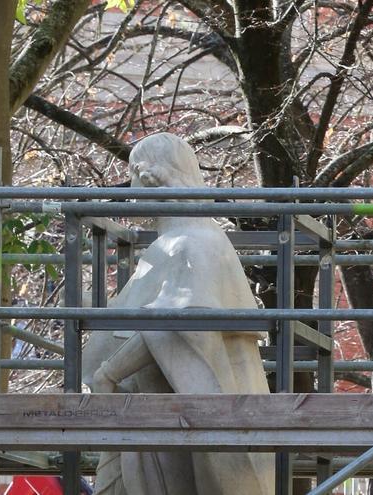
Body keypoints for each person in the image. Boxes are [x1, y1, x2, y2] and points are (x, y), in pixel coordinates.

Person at [81, 132, 274, 494]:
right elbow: (132, 324)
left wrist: (110, 371)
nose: (130, 188)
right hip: (146, 417)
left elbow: (174, 326)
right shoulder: (168, 245)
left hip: (171, 424)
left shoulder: (192, 242)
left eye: (133, 175)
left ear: (153, 176)